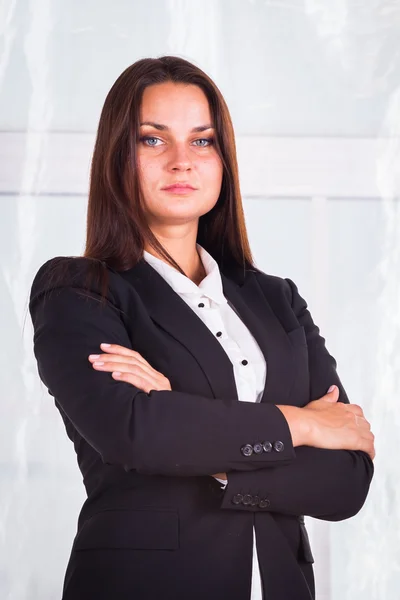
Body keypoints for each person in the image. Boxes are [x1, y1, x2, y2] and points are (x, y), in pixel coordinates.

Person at [29, 55, 375, 600]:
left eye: (202, 141)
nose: (181, 161)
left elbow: (346, 482)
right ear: (116, 156)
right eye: (152, 140)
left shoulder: (276, 300)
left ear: (223, 159)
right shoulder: (78, 291)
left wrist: (189, 426)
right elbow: (138, 433)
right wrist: (302, 426)